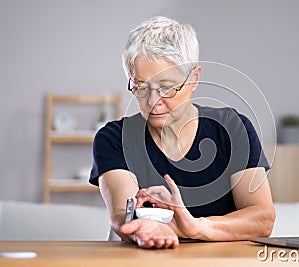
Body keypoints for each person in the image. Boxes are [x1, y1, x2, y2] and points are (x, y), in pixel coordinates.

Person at [90, 16, 275, 249]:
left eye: (167, 87)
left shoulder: (232, 128)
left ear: (194, 78)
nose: (153, 101)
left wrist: (194, 227)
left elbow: (262, 218)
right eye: (141, 87)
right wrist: (144, 229)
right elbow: (121, 216)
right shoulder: (114, 138)